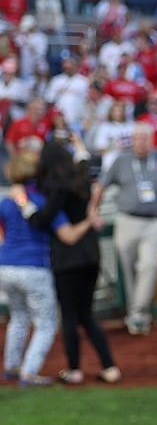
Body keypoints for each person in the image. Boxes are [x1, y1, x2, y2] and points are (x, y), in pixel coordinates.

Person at [26, 141, 121, 384]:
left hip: (67, 257)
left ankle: (75, 369)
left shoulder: (56, 188)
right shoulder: (81, 179)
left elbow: (42, 219)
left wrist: (25, 207)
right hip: (91, 253)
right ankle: (109, 367)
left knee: (69, 315)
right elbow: (85, 164)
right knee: (87, 314)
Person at [1, 152, 95, 386]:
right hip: (34, 267)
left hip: (6, 266)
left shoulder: (6, 201)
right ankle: (29, 372)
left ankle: (12, 366)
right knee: (46, 323)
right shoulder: (43, 201)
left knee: (19, 317)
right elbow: (68, 236)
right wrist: (89, 221)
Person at [95, 122, 157, 335]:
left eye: (144, 138)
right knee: (127, 269)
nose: (140, 143)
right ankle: (135, 314)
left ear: (151, 140)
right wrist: (93, 210)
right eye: (137, 138)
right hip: (127, 219)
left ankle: (138, 312)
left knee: (149, 266)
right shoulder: (121, 160)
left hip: (154, 221)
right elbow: (101, 185)